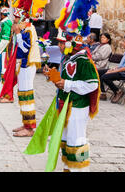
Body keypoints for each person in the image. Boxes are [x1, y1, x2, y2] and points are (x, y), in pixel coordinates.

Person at [43, 29, 100, 172]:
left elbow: (92, 84)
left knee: (76, 141)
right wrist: (53, 75)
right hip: (67, 106)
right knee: (68, 139)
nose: (59, 47)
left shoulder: (83, 60)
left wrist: (67, 84)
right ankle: (69, 169)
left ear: (71, 44)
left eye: (61, 43)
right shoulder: (68, 58)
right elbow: (67, 79)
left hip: (77, 106)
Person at [0, 10, 41, 138]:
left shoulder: (28, 30)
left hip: (27, 65)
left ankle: (30, 127)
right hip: (22, 65)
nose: (15, 21)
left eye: (17, 18)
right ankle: (26, 123)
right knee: (22, 94)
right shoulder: (24, 29)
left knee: (27, 94)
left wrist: (18, 34)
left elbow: (25, 48)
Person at [99, 33, 125, 103]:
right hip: (121, 71)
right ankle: (103, 93)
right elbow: (121, 66)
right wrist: (113, 69)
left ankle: (117, 91)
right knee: (99, 72)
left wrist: (112, 71)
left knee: (104, 77)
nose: (122, 43)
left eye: (124, 42)